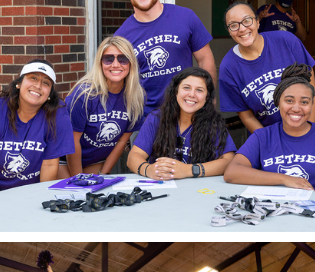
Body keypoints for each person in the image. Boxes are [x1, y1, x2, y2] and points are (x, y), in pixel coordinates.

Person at [114, 0, 215, 116]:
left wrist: (209, 100)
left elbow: (205, 59)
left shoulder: (185, 17)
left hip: (187, 112)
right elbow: (120, 80)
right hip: (145, 118)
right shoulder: (122, 36)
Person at [224, 64, 315, 194]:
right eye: (289, 101)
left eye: (304, 102)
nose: (296, 108)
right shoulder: (263, 136)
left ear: (312, 104)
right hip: (274, 209)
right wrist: (285, 179)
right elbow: (232, 172)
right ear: (278, 102)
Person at [219, 2, 315, 133]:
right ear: (229, 31)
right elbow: (247, 116)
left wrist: (308, 131)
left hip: (311, 129)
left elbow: (310, 85)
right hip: (272, 138)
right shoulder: (228, 68)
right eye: (234, 25)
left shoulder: (287, 41)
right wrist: (269, 144)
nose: (242, 28)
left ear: (257, 22)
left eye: (247, 20)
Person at [126, 68, 237, 181]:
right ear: (176, 91)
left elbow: (229, 161)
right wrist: (148, 169)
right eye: (186, 88)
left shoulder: (214, 123)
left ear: (207, 97)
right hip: (162, 187)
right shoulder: (156, 118)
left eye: (199, 90)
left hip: (200, 190)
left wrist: (189, 170)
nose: (192, 94)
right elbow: (133, 157)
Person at [61, 36, 144, 177]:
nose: (116, 64)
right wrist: (78, 178)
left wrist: (105, 173)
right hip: (64, 160)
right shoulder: (84, 95)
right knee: (74, 195)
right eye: (108, 59)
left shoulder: (135, 98)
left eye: (123, 59)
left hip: (95, 161)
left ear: (131, 63)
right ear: (100, 63)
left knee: (99, 192)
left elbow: (122, 141)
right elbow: (73, 141)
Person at [0, 60, 74, 190]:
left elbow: (50, 165)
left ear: (50, 93)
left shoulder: (58, 114)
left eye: (46, 83)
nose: (38, 86)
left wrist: (39, 198)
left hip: (30, 191)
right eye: (33, 78)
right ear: (19, 83)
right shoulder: (1, 108)